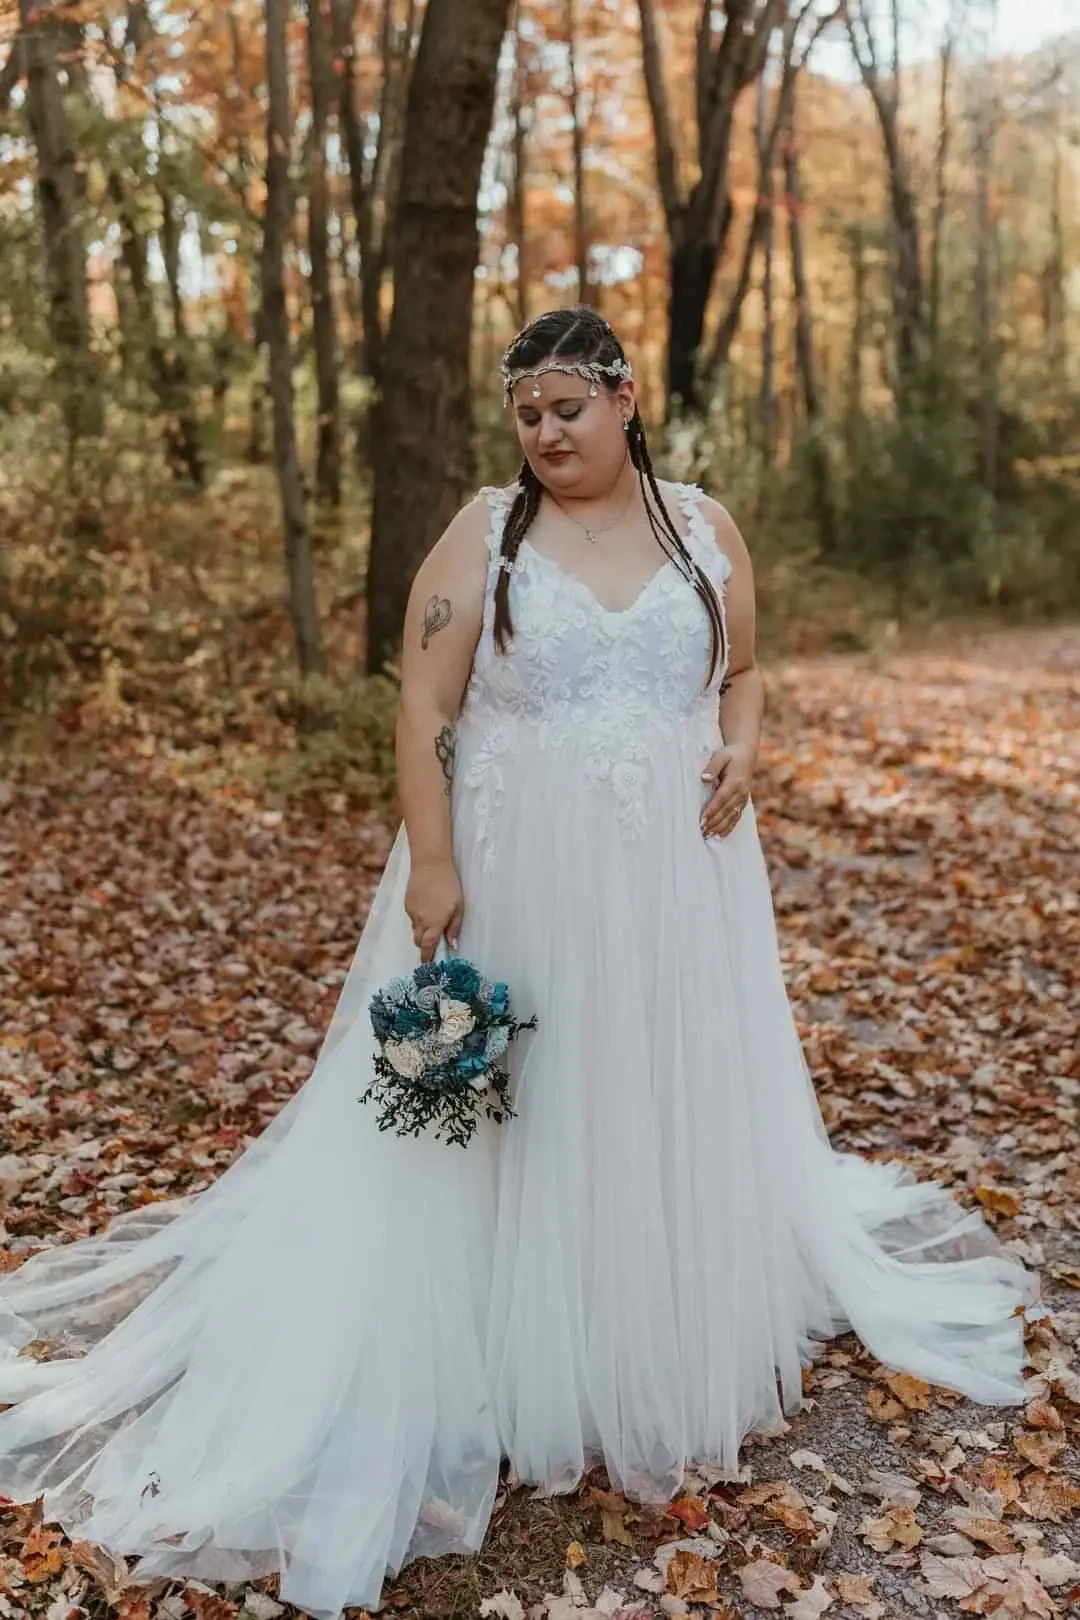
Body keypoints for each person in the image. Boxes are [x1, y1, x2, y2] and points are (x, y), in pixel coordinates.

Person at [0, 306, 1038, 1620]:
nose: (546, 433)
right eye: (528, 414)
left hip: (677, 876)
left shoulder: (702, 527)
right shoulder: (484, 534)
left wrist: (743, 744)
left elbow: (746, 672)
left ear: (625, 398)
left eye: (567, 408)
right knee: (507, 1101)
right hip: (517, 865)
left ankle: (635, 1324)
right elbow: (424, 702)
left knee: (647, 1080)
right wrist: (433, 862)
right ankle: (503, 1339)